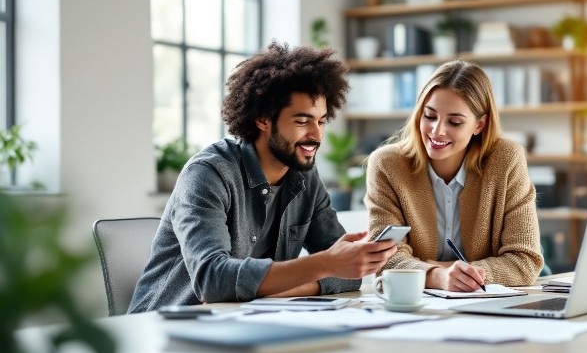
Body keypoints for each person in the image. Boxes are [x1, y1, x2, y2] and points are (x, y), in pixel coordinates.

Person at [129, 42, 397, 313]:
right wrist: (324, 264)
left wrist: (286, 288)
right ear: (263, 120)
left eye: (321, 121)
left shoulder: (304, 176)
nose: (316, 136)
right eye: (302, 122)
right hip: (163, 329)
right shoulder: (208, 174)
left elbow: (346, 272)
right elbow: (212, 278)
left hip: (242, 324)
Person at [364, 59, 543, 292]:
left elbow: (525, 261)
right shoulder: (387, 165)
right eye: (429, 116)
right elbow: (383, 258)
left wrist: (457, 274)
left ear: (479, 125)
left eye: (455, 122)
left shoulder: (506, 160)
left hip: (489, 303)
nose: (437, 131)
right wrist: (438, 275)